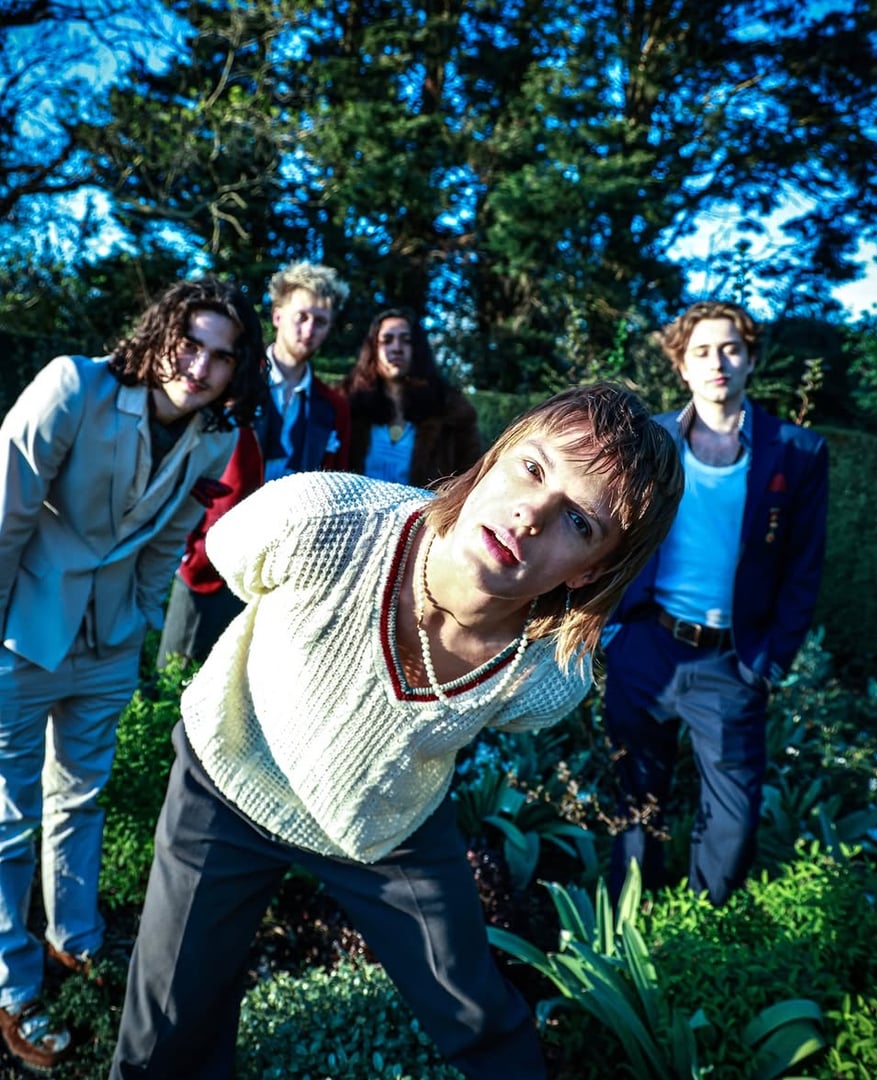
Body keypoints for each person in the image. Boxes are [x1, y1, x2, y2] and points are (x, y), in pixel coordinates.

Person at [109, 382, 684, 1080]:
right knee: (167, 1024)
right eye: (532, 468)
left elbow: (508, 713)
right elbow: (231, 553)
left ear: (593, 570)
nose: (531, 513)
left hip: (386, 823)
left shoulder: (548, 677)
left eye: (579, 522)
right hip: (230, 776)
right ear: (493, 458)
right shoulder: (321, 519)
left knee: (475, 1011)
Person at [0, 276, 266, 1074]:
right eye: (189, 345)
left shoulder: (215, 435)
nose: (199, 367)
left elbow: (168, 540)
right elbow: (6, 514)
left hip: (111, 644)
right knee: (8, 817)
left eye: (221, 357)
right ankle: (12, 986)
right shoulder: (72, 388)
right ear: (159, 336)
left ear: (237, 368)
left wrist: (140, 624)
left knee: (81, 798)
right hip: (21, 635)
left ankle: (74, 942)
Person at [602, 300, 829, 908]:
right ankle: (629, 920)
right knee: (636, 798)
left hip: (730, 661)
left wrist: (769, 663)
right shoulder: (649, 439)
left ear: (750, 359)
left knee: (733, 819)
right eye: (701, 351)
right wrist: (610, 633)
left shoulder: (797, 451)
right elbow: (610, 536)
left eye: (731, 348)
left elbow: (804, 568)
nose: (717, 362)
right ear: (682, 366)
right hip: (645, 647)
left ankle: (702, 927)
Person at [157, 261, 351, 668]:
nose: (309, 329)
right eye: (301, 316)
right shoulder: (228, 375)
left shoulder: (333, 406)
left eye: (320, 321)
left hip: (283, 575)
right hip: (210, 557)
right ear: (277, 316)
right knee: (177, 676)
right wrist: (190, 546)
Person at [343, 306, 482, 487]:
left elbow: (469, 479)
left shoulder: (451, 412)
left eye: (406, 340)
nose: (396, 348)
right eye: (387, 340)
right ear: (373, 348)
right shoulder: (347, 404)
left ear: (418, 348)